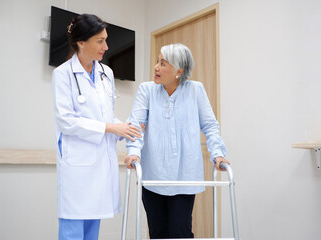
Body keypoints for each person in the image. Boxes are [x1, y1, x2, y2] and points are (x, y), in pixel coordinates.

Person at [124, 43, 230, 239]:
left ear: (178, 71)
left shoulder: (195, 90)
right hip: (153, 174)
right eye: (157, 61)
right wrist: (133, 152)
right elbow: (136, 125)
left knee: (180, 232)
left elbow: (210, 125)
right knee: (157, 232)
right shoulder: (146, 90)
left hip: (184, 175)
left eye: (163, 63)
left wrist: (218, 153)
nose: (156, 67)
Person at [52, 14, 141, 240]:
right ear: (81, 42)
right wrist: (112, 128)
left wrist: (127, 128)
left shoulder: (106, 73)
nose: (106, 46)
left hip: (100, 165)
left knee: (92, 232)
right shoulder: (62, 74)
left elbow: (106, 115)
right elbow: (67, 121)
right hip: (77, 168)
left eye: (106, 40)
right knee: (73, 231)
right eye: (100, 41)